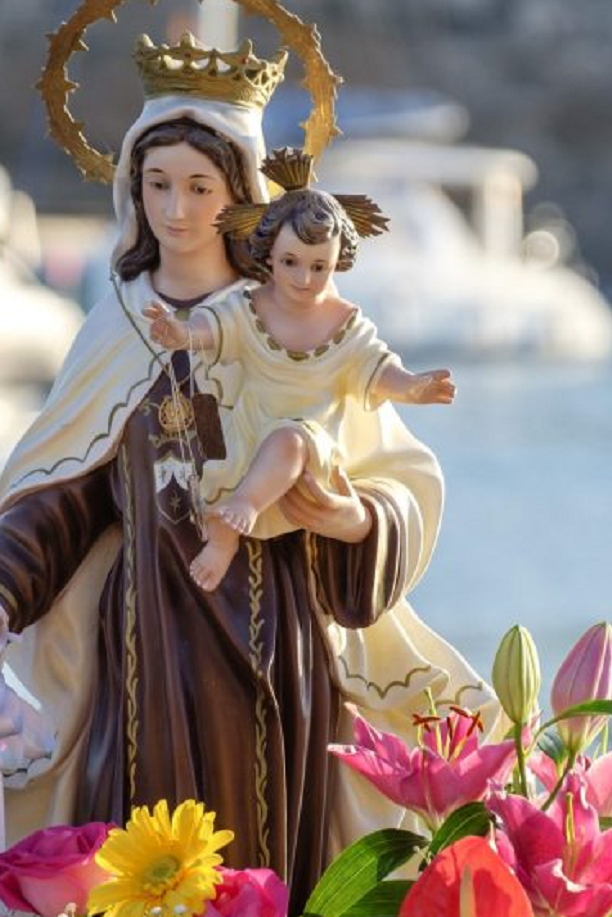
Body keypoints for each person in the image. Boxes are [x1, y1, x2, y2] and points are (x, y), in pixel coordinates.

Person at [0, 3, 491, 902]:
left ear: (241, 195)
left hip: (283, 637)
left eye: (199, 187)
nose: (176, 209)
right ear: (132, 191)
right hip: (143, 643)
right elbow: (64, 494)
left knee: (280, 859)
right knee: (140, 854)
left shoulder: (294, 330)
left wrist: (345, 516)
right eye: (156, 185)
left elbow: (392, 482)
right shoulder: (118, 332)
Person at [143, 147, 456, 593]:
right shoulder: (249, 307)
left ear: (337, 264)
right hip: (246, 433)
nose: (304, 279)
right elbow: (210, 328)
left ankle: (245, 507)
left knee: (290, 439)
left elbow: (376, 367)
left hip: (313, 446)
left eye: (319, 267)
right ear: (269, 254)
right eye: (291, 263)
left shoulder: (343, 321)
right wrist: (178, 333)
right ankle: (223, 538)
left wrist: (415, 388)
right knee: (247, 457)